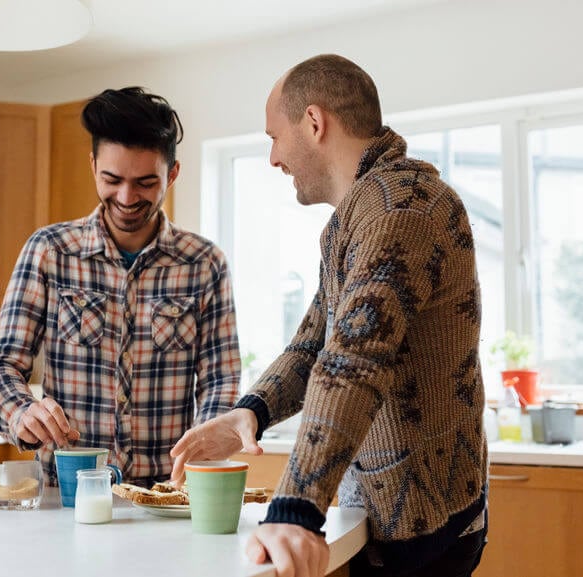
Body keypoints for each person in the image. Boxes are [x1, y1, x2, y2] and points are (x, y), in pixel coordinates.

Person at [170, 54, 488, 577]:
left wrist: (296, 508)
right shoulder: (360, 214)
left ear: (314, 123)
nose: (273, 158)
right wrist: (250, 412)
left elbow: (351, 362)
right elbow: (316, 340)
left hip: (427, 529)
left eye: (274, 136)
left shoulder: (400, 210)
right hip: (392, 514)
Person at [0, 87, 241, 488]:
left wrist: (203, 451)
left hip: (165, 498)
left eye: (145, 182)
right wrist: (21, 412)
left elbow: (221, 381)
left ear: (172, 174)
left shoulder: (205, 265)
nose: (126, 197)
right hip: (66, 495)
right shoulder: (50, 252)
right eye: (112, 179)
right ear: (93, 165)